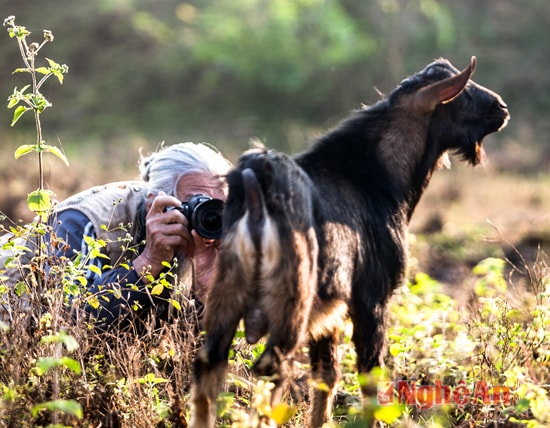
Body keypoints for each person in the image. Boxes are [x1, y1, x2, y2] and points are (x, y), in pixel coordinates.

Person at [48, 142, 232, 331]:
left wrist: (206, 293)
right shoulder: (82, 223)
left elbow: (183, 350)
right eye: (198, 204)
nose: (211, 218)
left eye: (220, 207)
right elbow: (68, 327)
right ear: (155, 203)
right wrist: (149, 261)